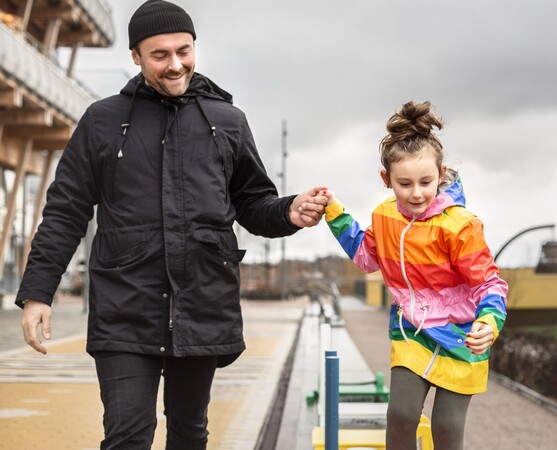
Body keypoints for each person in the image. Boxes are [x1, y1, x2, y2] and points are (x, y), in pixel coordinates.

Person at [16, 1, 327, 448]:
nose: (176, 64)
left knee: (189, 431)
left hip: (201, 302)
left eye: (184, 50)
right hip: (125, 306)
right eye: (160, 55)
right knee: (127, 435)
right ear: (136, 57)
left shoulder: (227, 121)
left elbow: (253, 203)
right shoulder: (102, 121)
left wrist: (288, 211)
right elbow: (66, 210)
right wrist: (37, 292)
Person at [321, 100, 508, 450]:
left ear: (441, 173)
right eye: (404, 184)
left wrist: (489, 320)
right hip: (412, 331)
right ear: (386, 179)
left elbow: (489, 282)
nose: (417, 193)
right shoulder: (384, 217)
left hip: (461, 334)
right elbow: (366, 257)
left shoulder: (460, 225)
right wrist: (335, 213)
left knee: (447, 427)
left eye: (426, 181)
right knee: (402, 414)